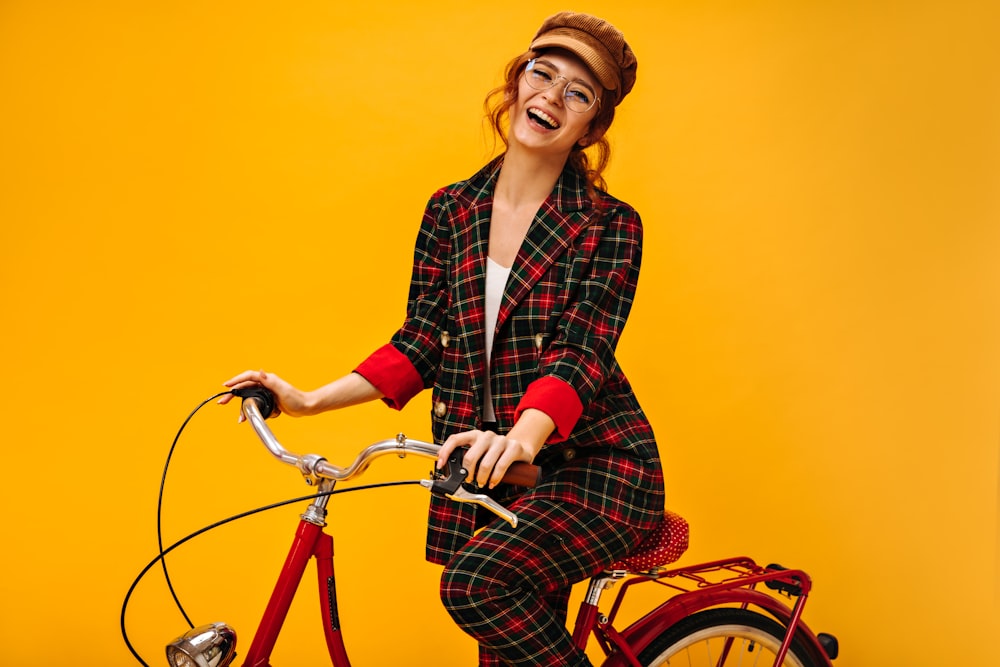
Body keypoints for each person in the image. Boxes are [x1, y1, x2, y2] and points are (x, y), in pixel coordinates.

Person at [222, 11, 664, 666]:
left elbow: (580, 351)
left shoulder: (609, 226)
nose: (550, 96)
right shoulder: (452, 210)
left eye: (578, 92)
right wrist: (306, 400)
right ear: (516, 83)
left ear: (592, 127)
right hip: (497, 474)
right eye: (542, 74)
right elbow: (423, 339)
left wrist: (519, 438)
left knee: (474, 584)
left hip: (597, 469)